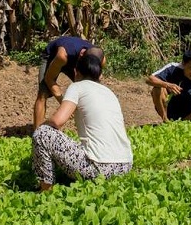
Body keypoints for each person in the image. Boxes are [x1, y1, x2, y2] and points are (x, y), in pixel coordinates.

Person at [32, 54, 133, 191]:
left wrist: (44, 125)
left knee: (42, 133)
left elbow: (58, 121)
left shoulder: (77, 87)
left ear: (76, 72)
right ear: (100, 76)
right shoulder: (109, 92)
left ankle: (45, 188)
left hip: (100, 169)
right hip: (125, 166)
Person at [33, 36, 105, 129]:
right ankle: (37, 133)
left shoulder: (100, 59)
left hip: (75, 61)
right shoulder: (62, 55)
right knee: (43, 94)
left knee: (89, 90)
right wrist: (63, 101)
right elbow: (49, 79)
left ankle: (94, 127)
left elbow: (95, 82)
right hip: (53, 58)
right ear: (82, 54)